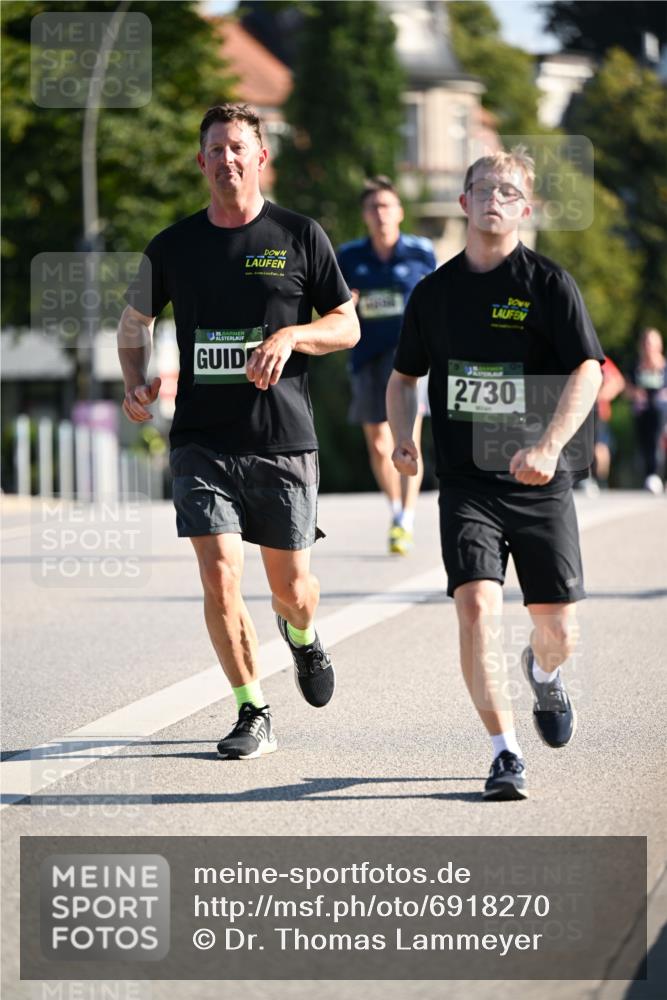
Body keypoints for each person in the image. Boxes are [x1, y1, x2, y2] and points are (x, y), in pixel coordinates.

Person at [118, 103, 358, 760]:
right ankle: (252, 707)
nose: (226, 159)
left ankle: (302, 639)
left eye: (237, 147)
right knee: (220, 573)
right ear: (201, 162)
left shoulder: (299, 234)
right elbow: (132, 324)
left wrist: (293, 335)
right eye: (215, 149)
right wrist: (136, 379)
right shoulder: (173, 246)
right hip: (202, 439)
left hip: (281, 439)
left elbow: (346, 323)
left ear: (260, 157)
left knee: (292, 592)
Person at [387, 147, 604, 801]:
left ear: (525, 208)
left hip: (540, 480)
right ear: (463, 203)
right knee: (477, 606)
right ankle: (503, 752)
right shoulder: (433, 293)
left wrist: (546, 444)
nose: (493, 199)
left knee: (558, 629)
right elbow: (403, 379)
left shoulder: (546, 284)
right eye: (482, 188)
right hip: (467, 482)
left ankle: (541, 672)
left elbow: (587, 369)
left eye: (508, 192)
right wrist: (403, 437)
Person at [337, 177, 436, 555]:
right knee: (379, 445)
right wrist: (346, 301)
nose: (381, 214)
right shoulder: (348, 257)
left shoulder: (421, 252)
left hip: (410, 361)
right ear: (365, 215)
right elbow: (333, 307)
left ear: (400, 212)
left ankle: (405, 521)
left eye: (387, 206)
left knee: (406, 438)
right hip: (365, 357)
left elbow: (439, 298)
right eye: (374, 207)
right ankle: (394, 508)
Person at [626, 327, 667, 494]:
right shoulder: (635, 366)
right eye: (646, 343)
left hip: (662, 413)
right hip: (642, 413)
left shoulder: (664, 367)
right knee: (645, 444)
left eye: (652, 343)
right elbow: (626, 386)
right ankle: (650, 476)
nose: (648, 346)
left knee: (659, 441)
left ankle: (657, 476)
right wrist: (635, 393)